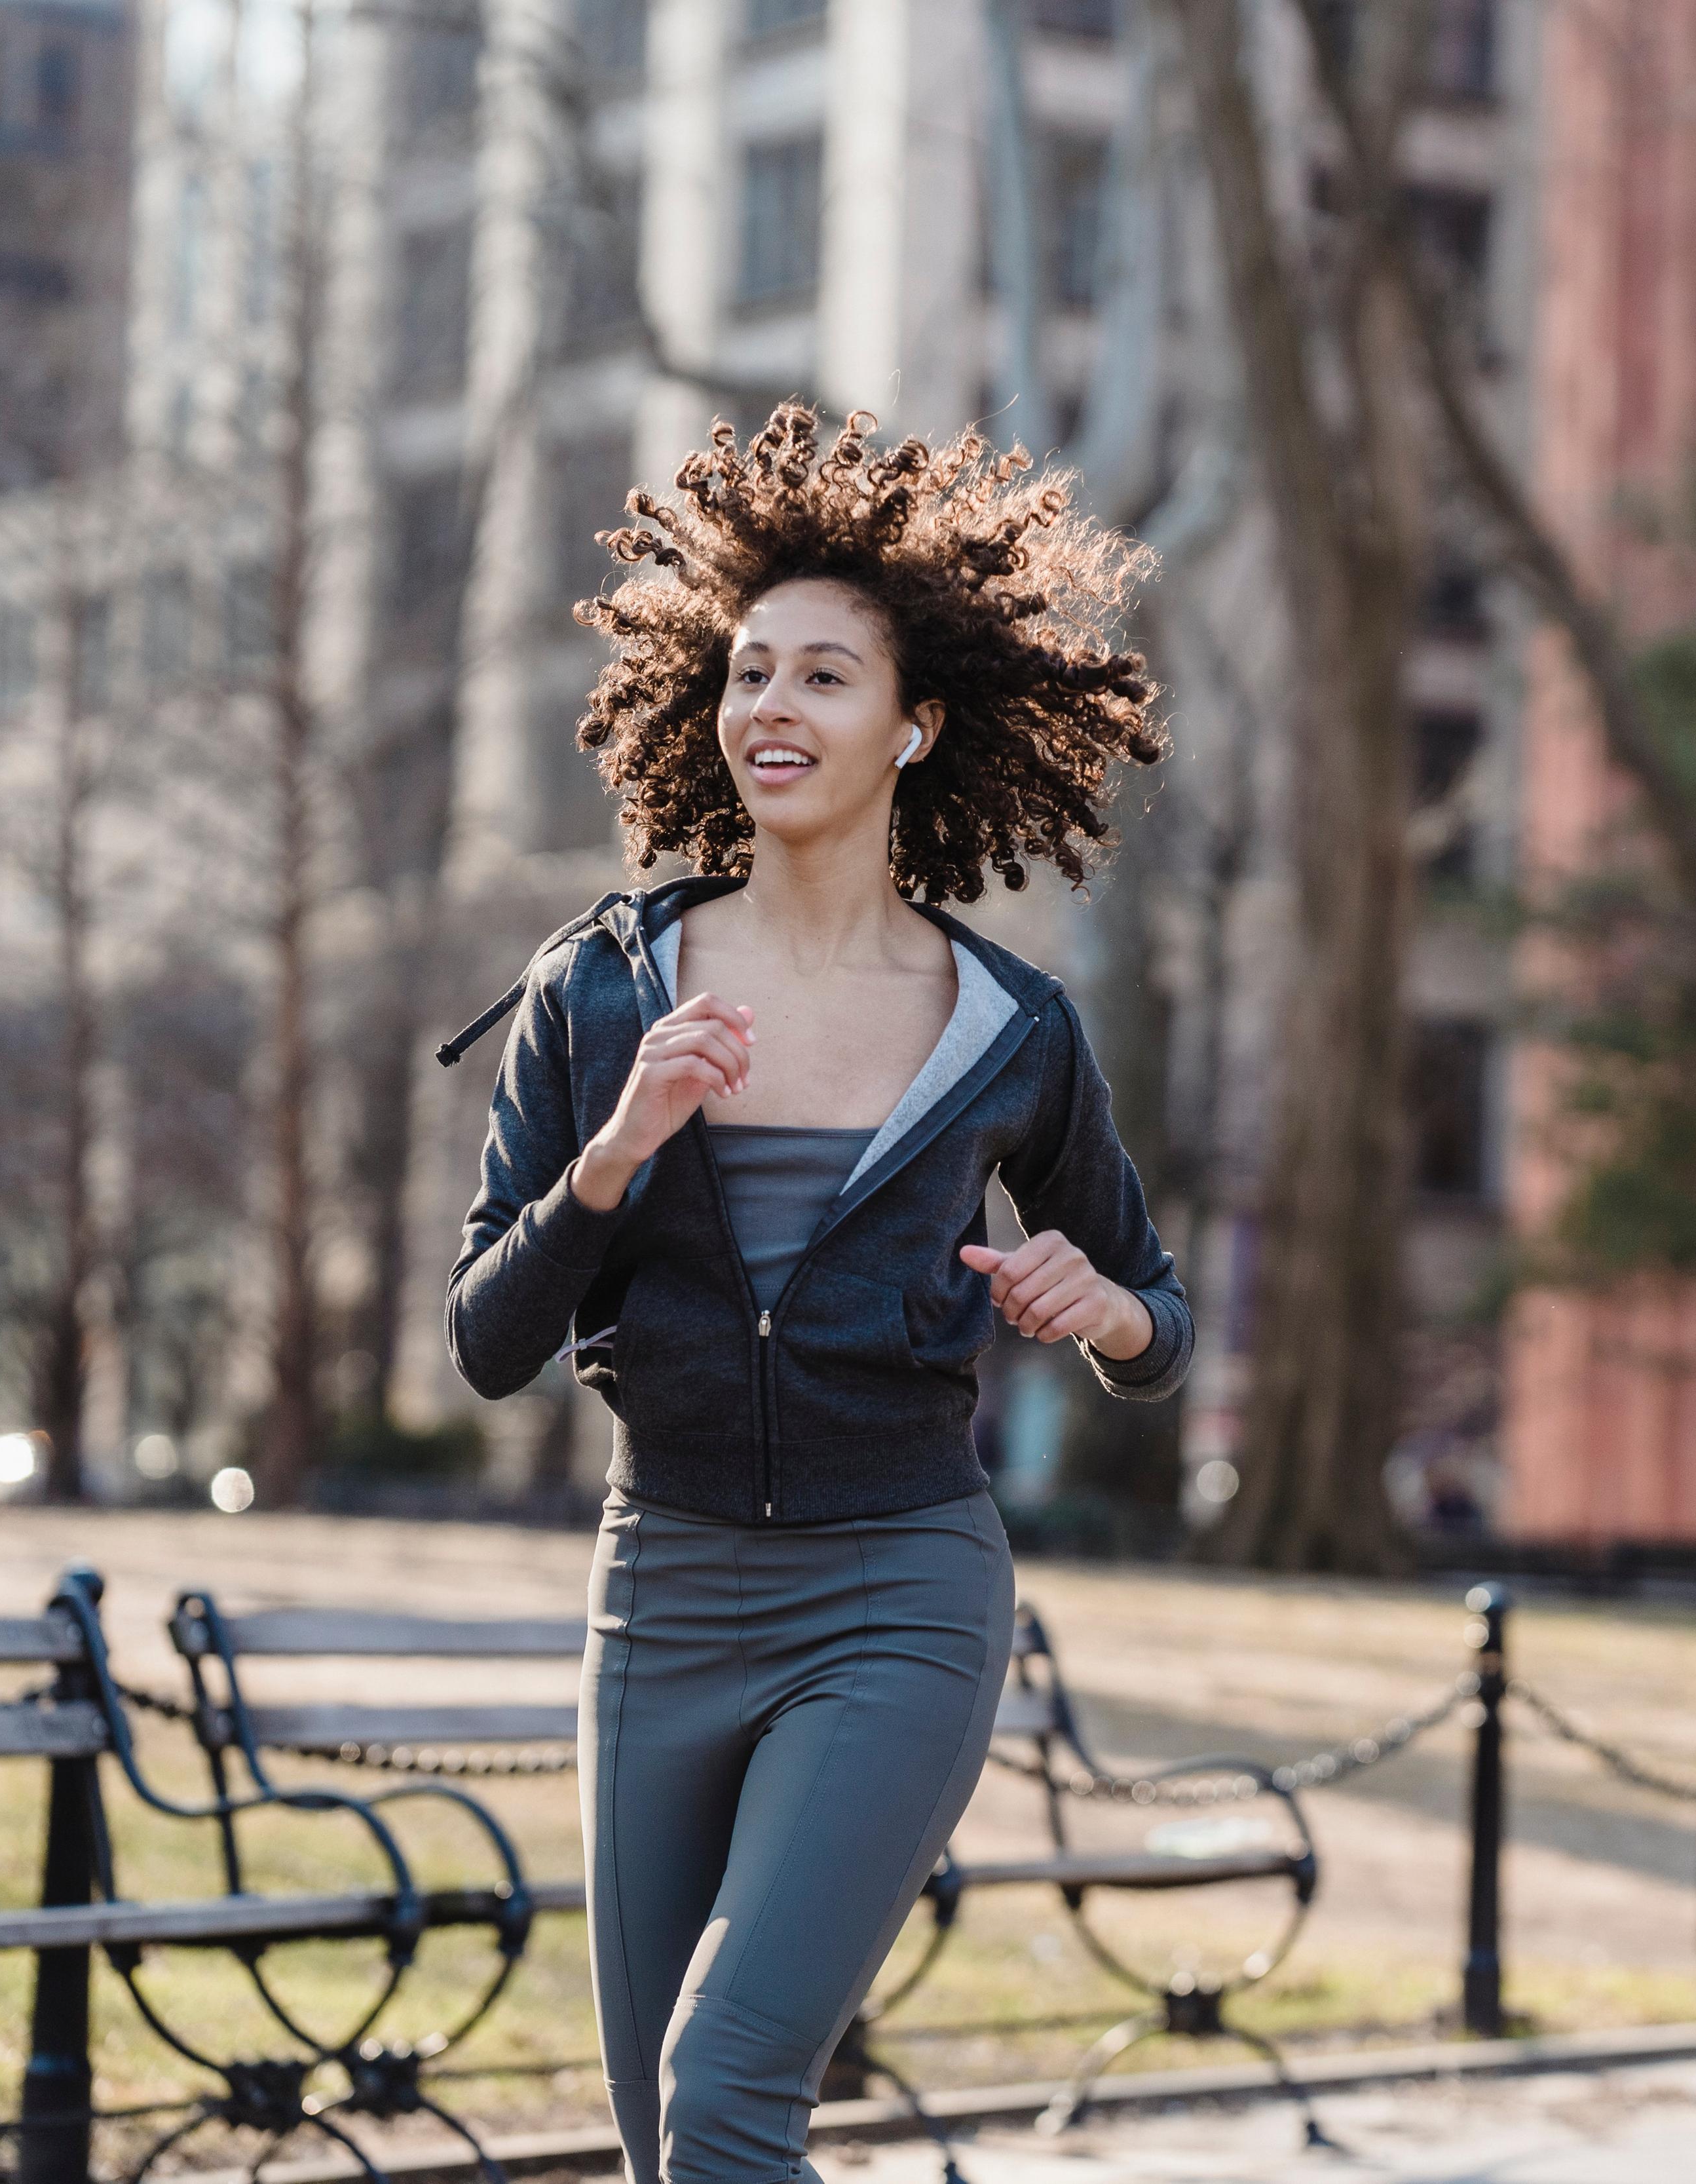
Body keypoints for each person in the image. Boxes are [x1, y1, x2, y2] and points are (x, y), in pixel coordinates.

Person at [440, 404, 1186, 2184]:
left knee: (728, 2097)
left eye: (825, 677)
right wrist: (612, 1157)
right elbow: (484, 1343)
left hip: (898, 1592)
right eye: (748, 669)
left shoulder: (1014, 1028)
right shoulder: (600, 996)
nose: (771, 706)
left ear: (920, 726)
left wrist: (1110, 1312)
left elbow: (1157, 1314)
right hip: (663, 1594)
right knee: (660, 2144)